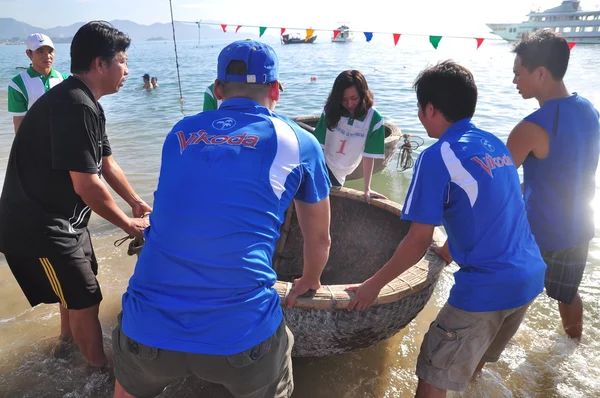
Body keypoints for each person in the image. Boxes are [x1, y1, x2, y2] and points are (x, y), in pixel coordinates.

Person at [112, 39, 332, 398]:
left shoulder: (179, 133)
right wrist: (310, 279)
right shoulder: (300, 141)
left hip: (145, 327)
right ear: (275, 89)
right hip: (242, 337)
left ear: (217, 89)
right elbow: (320, 239)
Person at [345, 61, 546, 397]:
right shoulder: (494, 144)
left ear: (430, 109)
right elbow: (493, 208)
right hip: (528, 278)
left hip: (486, 290)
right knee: (471, 369)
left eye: (420, 108)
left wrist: (372, 287)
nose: (421, 115)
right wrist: (449, 250)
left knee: (433, 379)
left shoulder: (438, 155)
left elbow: (417, 238)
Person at [0, 21, 151, 370]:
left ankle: (66, 344)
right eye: (123, 61)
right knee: (86, 299)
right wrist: (129, 224)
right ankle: (98, 374)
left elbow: (106, 164)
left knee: (79, 291)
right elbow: (87, 184)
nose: (127, 70)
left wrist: (135, 202)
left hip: (66, 218)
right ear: (101, 63)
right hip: (38, 224)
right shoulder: (75, 104)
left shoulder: (87, 102)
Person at [506, 29, 600, 340]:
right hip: (580, 227)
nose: (514, 81)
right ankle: (573, 343)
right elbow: (566, 169)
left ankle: (478, 371)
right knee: (567, 293)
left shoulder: (531, 128)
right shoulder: (590, 109)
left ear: (541, 73)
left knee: (506, 302)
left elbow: (496, 187)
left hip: (543, 233)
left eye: (519, 73)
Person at [312, 70, 388, 203]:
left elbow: (369, 155)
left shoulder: (374, 119)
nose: (349, 104)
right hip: (323, 164)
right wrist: (317, 174)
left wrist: (367, 188)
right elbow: (318, 146)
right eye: (344, 100)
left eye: (354, 98)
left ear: (363, 94)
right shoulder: (330, 110)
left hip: (341, 172)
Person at [8, 33, 69, 133]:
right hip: (35, 142)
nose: (47, 56)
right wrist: (20, 147)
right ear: (29, 53)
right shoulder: (17, 84)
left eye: (50, 51)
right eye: (40, 51)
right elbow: (19, 120)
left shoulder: (64, 79)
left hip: (61, 140)